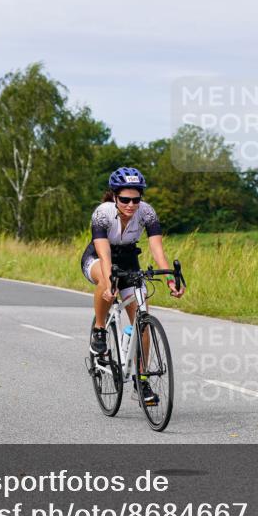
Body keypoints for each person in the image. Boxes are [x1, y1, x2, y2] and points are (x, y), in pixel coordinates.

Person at [81, 167, 185, 405]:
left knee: (143, 319)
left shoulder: (147, 212)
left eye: (135, 200)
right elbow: (104, 252)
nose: (131, 205)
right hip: (98, 257)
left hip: (129, 259)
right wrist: (110, 281)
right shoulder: (102, 214)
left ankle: (141, 380)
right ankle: (100, 329)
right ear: (114, 196)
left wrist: (170, 279)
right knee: (105, 281)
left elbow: (157, 249)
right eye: (125, 199)